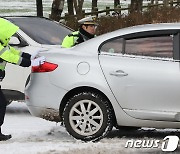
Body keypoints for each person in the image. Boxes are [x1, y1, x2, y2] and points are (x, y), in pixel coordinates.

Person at [0, 17, 45, 141]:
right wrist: (27, 62)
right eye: (8, 34)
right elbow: (8, 56)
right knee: (1, 103)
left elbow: (14, 52)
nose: (9, 37)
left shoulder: (2, 44)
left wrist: (30, 57)